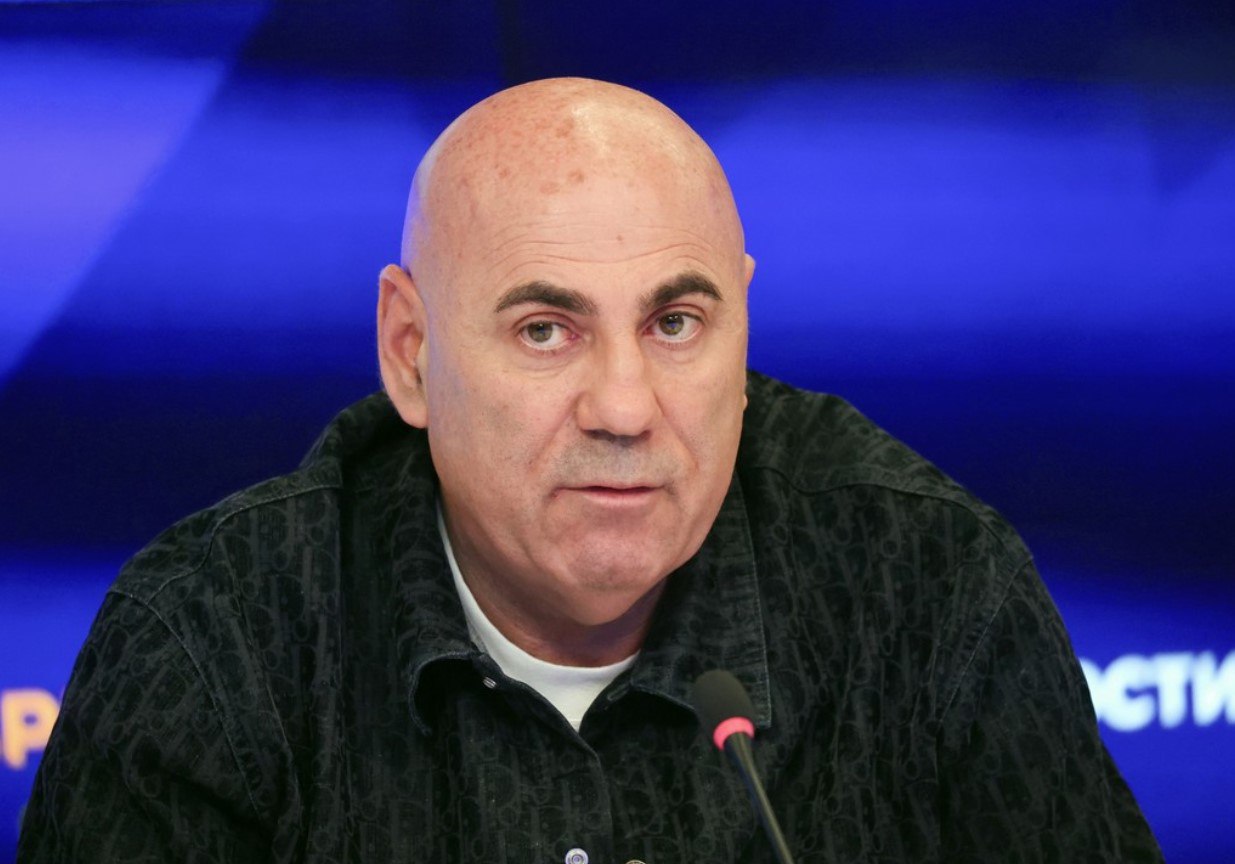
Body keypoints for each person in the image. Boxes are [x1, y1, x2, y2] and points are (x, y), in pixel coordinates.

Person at [18, 78, 1161, 863]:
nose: (623, 408)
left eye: (674, 324)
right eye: (543, 331)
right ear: (410, 354)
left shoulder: (927, 586)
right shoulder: (216, 640)